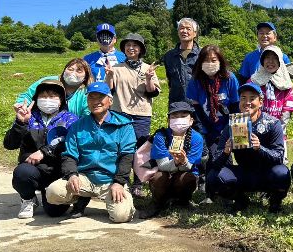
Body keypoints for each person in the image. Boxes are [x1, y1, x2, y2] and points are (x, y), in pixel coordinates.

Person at [46, 82, 136, 223]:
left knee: (120, 216)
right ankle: (81, 197)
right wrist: (72, 175)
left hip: (111, 179)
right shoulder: (77, 126)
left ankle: (121, 199)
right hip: (85, 178)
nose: (95, 102)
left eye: (100, 98)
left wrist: (119, 182)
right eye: (91, 98)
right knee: (52, 192)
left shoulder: (124, 125)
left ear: (110, 100)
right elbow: (69, 155)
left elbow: (127, 156)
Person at [207, 83, 290, 213]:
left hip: (266, 173)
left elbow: (279, 156)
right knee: (214, 177)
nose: (247, 102)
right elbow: (216, 162)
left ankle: (275, 202)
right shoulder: (232, 125)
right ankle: (240, 199)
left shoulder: (273, 123)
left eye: (252, 98)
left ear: (261, 102)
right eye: (243, 98)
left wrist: (260, 148)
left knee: (282, 173)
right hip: (243, 173)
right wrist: (225, 152)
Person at [4, 80, 79, 219]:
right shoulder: (29, 117)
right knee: (22, 173)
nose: (47, 100)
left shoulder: (71, 119)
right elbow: (9, 144)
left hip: (58, 171)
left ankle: (51, 196)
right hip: (33, 169)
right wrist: (21, 123)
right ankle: (28, 199)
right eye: (43, 96)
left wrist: (44, 152)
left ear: (61, 99)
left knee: (54, 213)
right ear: (36, 98)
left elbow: (70, 144)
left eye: (52, 96)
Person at [105, 33, 160, 197]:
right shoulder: (116, 68)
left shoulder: (147, 68)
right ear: (124, 49)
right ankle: (122, 181)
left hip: (141, 115)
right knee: (120, 148)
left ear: (141, 49)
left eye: (135, 45)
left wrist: (149, 78)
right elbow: (110, 90)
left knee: (140, 150)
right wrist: (108, 76)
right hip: (119, 113)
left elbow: (152, 92)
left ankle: (138, 184)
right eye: (128, 45)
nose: (131, 48)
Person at [139, 102, 207, 219]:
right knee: (158, 178)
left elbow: (190, 166)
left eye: (183, 116)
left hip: (184, 174)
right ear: (168, 120)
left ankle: (183, 201)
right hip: (165, 174)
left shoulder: (196, 138)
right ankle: (157, 203)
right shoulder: (161, 136)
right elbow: (162, 165)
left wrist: (184, 161)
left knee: (188, 178)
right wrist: (175, 162)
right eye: (174, 116)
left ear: (191, 120)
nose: (178, 119)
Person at [186, 45, 240, 149]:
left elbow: (235, 107)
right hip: (207, 128)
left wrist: (227, 131)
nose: (210, 64)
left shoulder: (230, 78)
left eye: (213, 60)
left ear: (220, 61)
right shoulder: (195, 81)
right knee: (210, 158)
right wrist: (207, 131)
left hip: (228, 127)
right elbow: (197, 111)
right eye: (206, 60)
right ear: (200, 62)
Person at [15, 58, 93, 117]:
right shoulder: (48, 81)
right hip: (38, 123)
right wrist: (21, 105)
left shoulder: (86, 93)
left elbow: (86, 116)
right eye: (70, 69)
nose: (73, 73)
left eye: (78, 71)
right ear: (64, 71)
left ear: (86, 76)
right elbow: (28, 95)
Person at [249, 45, 293, 141]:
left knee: (277, 155)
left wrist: (278, 129)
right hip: (255, 132)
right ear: (262, 61)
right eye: (267, 58)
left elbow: (287, 109)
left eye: (275, 58)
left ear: (280, 61)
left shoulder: (286, 83)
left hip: (278, 132)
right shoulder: (253, 81)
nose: (270, 61)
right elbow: (246, 105)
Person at [163, 18, 201, 105]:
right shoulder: (169, 56)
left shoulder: (203, 54)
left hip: (199, 105)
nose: (184, 31)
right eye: (181, 28)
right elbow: (170, 82)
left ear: (195, 33)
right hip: (177, 106)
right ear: (178, 32)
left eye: (188, 28)